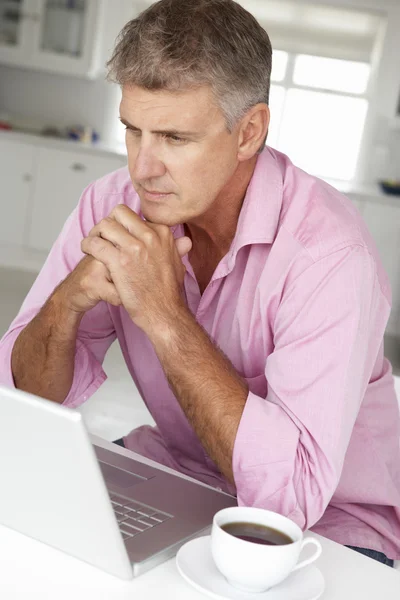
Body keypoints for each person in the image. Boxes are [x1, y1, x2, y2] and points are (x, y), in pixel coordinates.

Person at [0, 0, 399, 567]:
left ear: (249, 131)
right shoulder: (111, 205)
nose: (142, 167)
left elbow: (288, 501)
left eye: (175, 138)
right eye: (133, 131)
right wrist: (65, 304)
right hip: (179, 473)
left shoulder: (330, 256)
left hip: (331, 524)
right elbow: (18, 409)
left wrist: (164, 315)